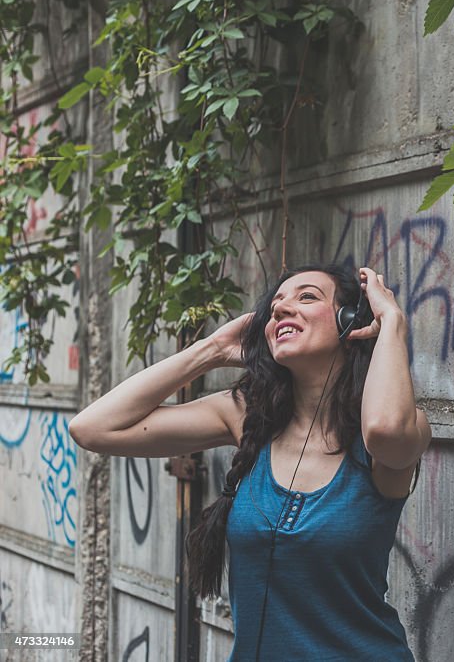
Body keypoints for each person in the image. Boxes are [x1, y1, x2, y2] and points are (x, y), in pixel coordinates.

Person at [68, 263, 431, 661]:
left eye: (306, 297)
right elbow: (92, 429)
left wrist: (392, 322)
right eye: (276, 304)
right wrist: (212, 350)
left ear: (351, 322)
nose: (281, 309)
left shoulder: (385, 432)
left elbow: (385, 431)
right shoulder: (248, 418)